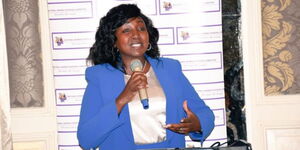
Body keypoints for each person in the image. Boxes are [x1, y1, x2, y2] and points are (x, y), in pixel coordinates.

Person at [77, 4, 215, 150]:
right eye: (126, 30)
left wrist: (197, 124)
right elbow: (86, 139)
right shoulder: (100, 78)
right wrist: (123, 97)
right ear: (114, 42)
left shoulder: (169, 69)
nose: (136, 34)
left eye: (141, 28)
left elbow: (204, 113)